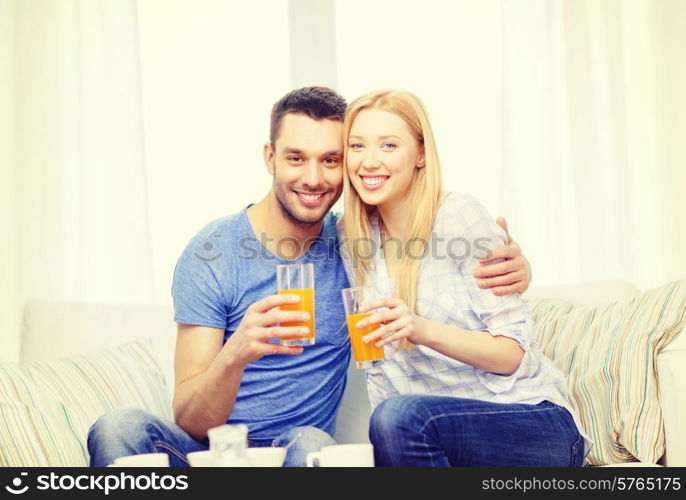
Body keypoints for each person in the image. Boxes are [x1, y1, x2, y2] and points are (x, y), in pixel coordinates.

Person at [87, 87, 533, 467]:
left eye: (331, 160)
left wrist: (513, 260)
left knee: (316, 445)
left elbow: (431, 242)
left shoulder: (354, 243)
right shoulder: (212, 253)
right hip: (213, 455)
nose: (313, 178)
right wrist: (236, 352)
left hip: (296, 452)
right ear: (270, 157)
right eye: (296, 158)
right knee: (117, 428)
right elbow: (189, 419)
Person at [339, 89, 590, 467]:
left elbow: (513, 355)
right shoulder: (351, 236)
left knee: (397, 419)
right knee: (391, 423)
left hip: (531, 422)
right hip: (429, 436)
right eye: (357, 146)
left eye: (388, 145)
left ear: (421, 154)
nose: (369, 162)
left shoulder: (458, 216)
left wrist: (419, 329)